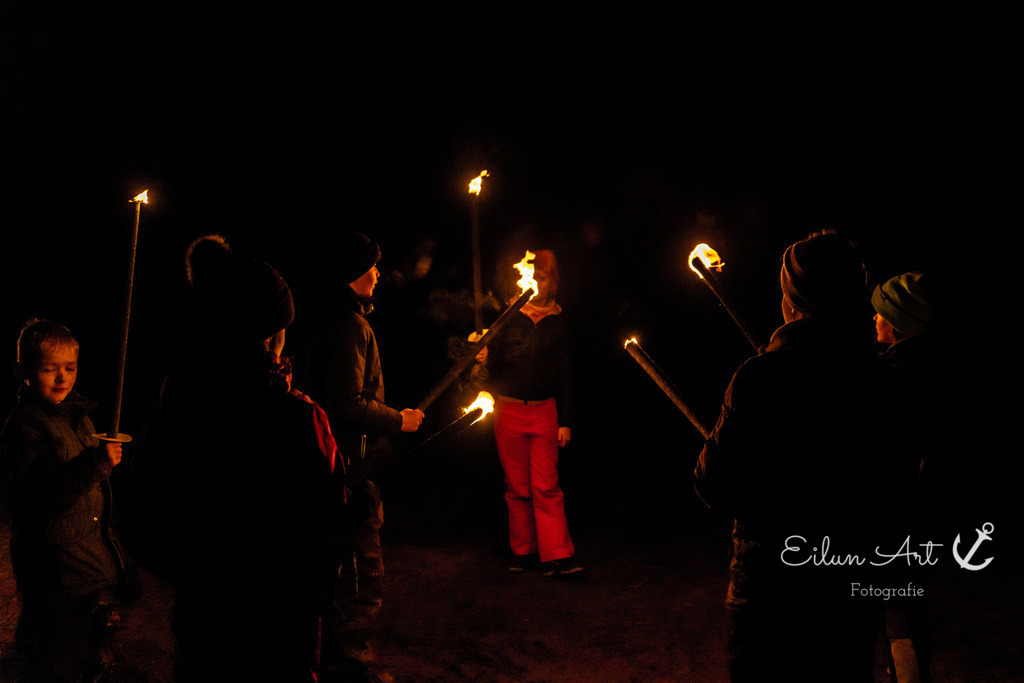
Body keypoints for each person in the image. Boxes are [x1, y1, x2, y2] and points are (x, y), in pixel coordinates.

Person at [694, 231, 918, 682]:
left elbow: (714, 485)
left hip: (769, 591)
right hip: (847, 587)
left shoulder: (760, 379)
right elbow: (897, 484)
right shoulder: (883, 379)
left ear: (792, 300)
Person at [127, 235, 339, 682]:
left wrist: (197, 574)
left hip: (203, 619)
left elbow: (142, 514)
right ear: (270, 335)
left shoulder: (180, 395)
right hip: (277, 624)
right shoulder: (295, 416)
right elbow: (323, 530)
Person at [303, 231, 424, 674]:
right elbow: (347, 403)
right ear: (350, 273)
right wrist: (399, 420)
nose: (377, 273)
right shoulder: (351, 327)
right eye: (369, 266)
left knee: (336, 564)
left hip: (331, 462)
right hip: (348, 467)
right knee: (360, 569)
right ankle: (351, 660)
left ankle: (332, 653)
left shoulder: (329, 318)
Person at [0, 318, 130, 682]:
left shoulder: (79, 419)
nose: (62, 378)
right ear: (22, 372)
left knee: (84, 649)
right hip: (53, 571)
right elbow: (37, 498)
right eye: (49, 369)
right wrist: (94, 464)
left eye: (69, 368)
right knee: (55, 654)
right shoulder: (25, 427)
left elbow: (88, 494)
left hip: (81, 564)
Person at [473, 249, 583, 577]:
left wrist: (565, 421)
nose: (535, 282)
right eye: (532, 276)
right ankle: (523, 551)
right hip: (508, 410)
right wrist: (482, 354)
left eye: (543, 277)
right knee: (517, 486)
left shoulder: (560, 322)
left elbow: (566, 373)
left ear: (553, 283)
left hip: (544, 411)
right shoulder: (509, 315)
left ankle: (557, 554)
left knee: (546, 486)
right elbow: (493, 364)